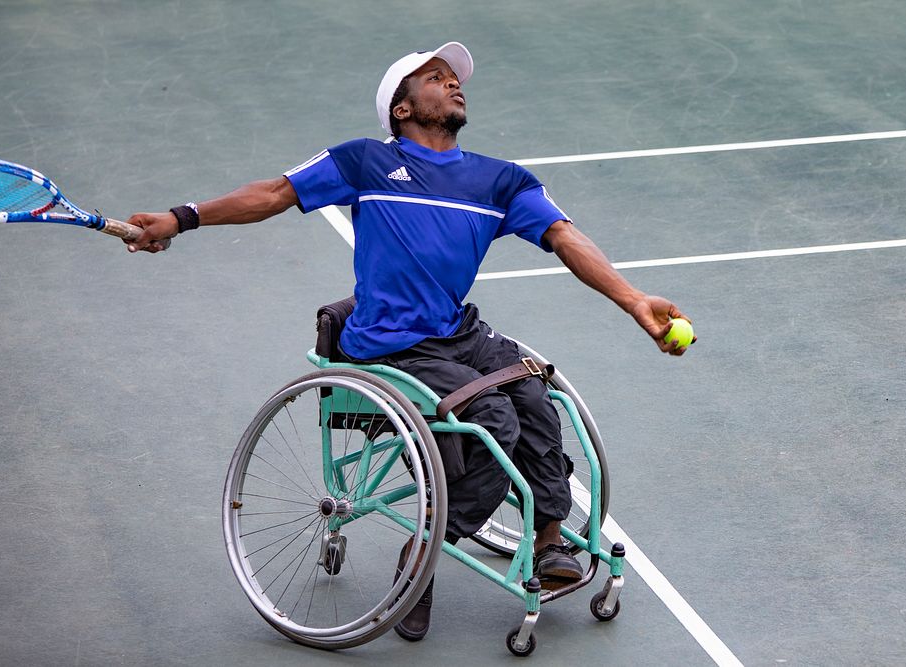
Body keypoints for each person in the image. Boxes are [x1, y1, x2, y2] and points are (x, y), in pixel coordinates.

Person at [125, 41, 694, 642]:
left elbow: (564, 235)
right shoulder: (365, 162)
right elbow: (272, 194)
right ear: (401, 109)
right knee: (495, 421)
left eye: (455, 78)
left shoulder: (498, 180)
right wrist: (181, 217)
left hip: (460, 332)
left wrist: (633, 299)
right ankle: (420, 555)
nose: (454, 84)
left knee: (536, 399)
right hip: (392, 345)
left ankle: (549, 539)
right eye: (436, 77)